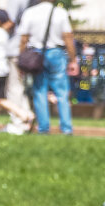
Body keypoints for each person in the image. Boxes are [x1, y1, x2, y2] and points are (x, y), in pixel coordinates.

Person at [18, 0, 78, 136]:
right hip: (56, 53)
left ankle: (44, 128)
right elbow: (68, 37)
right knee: (62, 92)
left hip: (36, 54)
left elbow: (23, 38)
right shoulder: (60, 12)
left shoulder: (30, 13)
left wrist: (22, 58)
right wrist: (73, 59)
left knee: (40, 92)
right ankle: (66, 128)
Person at [1, 0, 35, 134]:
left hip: (15, 48)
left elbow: (11, 21)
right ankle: (27, 116)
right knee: (21, 87)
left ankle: (19, 121)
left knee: (14, 87)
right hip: (28, 50)